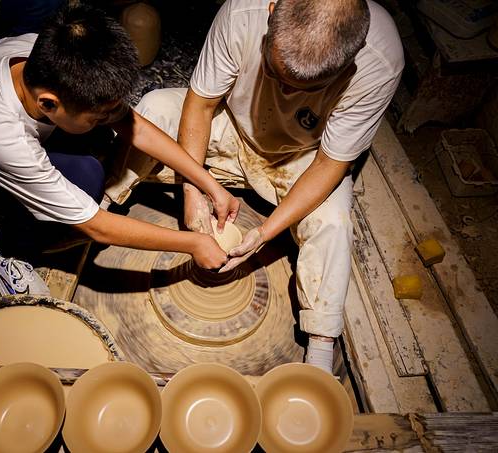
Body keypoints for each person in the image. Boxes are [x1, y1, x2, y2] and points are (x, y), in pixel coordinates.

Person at [106, 0, 404, 373]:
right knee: (153, 109)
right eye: (276, 75)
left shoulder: (380, 62)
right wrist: (191, 190)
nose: (286, 94)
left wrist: (263, 233)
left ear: (350, 63)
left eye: (303, 89)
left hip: (300, 158)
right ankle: (99, 210)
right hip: (230, 126)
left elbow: (330, 164)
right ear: (271, 13)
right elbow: (201, 106)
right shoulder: (241, 13)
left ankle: (320, 345)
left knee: (335, 221)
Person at [0, 3, 239, 297]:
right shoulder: (1, 135)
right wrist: (192, 244)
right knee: (85, 184)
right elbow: (97, 227)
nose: (109, 117)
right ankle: (2, 248)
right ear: (49, 103)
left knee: (100, 143)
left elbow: (132, 125)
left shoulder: (47, 53)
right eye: (99, 114)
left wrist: (207, 183)